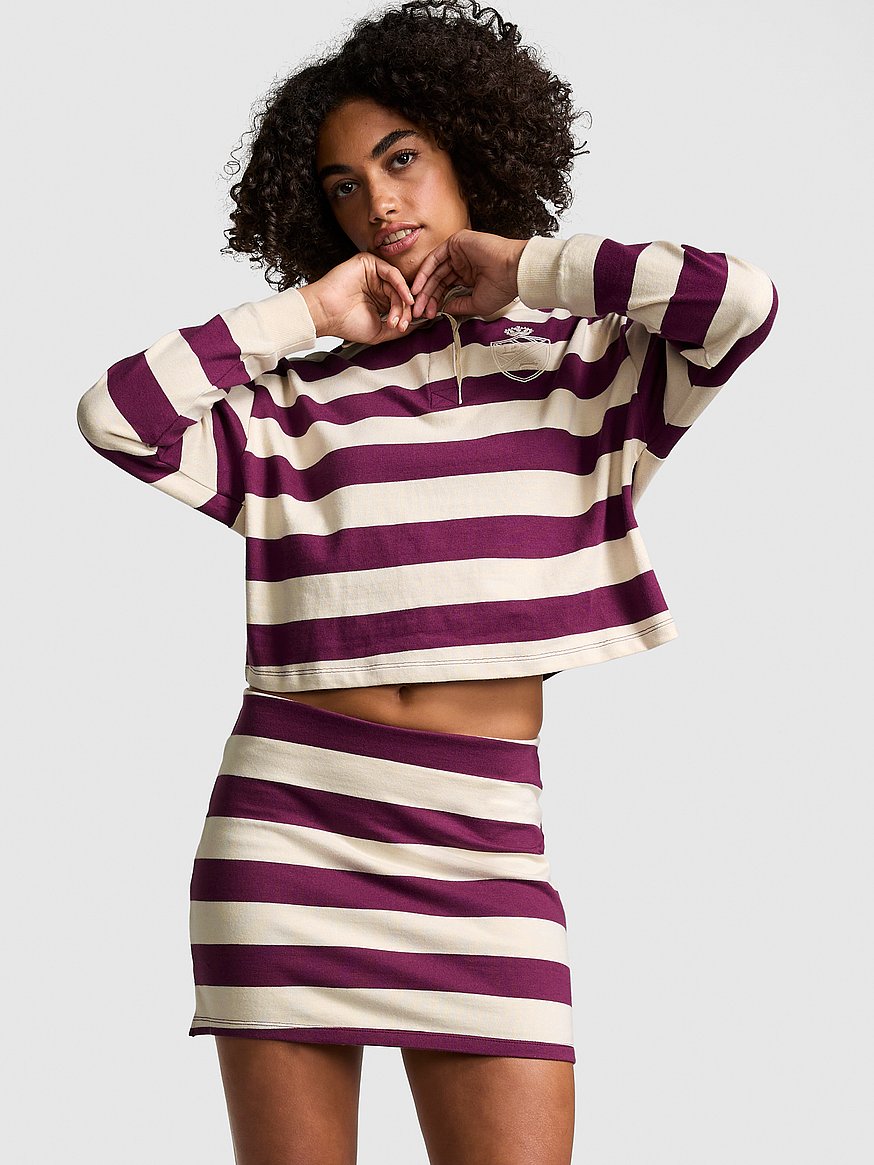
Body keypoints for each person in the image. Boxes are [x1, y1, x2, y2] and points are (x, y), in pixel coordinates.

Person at [75, 1, 779, 1162]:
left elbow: (740, 302)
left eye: (401, 160)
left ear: (468, 149)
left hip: (482, 846)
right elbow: (117, 415)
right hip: (287, 831)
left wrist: (526, 267)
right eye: (344, 186)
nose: (379, 203)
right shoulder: (293, 407)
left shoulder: (588, 377)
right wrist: (307, 314)